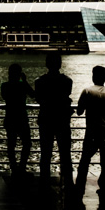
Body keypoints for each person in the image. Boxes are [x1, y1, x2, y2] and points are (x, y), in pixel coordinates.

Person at [35, 51, 73, 185]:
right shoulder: (67, 81)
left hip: (46, 119)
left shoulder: (39, 82)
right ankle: (68, 182)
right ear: (60, 64)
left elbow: (39, 99)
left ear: (46, 64)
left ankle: (44, 182)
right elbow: (66, 96)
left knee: (45, 154)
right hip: (62, 120)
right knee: (65, 153)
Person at [75, 65, 105, 196]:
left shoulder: (87, 91)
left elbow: (79, 111)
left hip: (91, 131)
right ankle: (104, 185)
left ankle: (79, 187)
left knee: (85, 160)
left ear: (93, 76)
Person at [0, 62, 36, 176]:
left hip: (10, 118)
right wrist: (24, 81)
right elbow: (33, 95)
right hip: (22, 118)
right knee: (27, 143)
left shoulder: (5, 86)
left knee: (11, 145)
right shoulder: (22, 85)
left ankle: (14, 168)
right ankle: (22, 167)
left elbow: (5, 97)